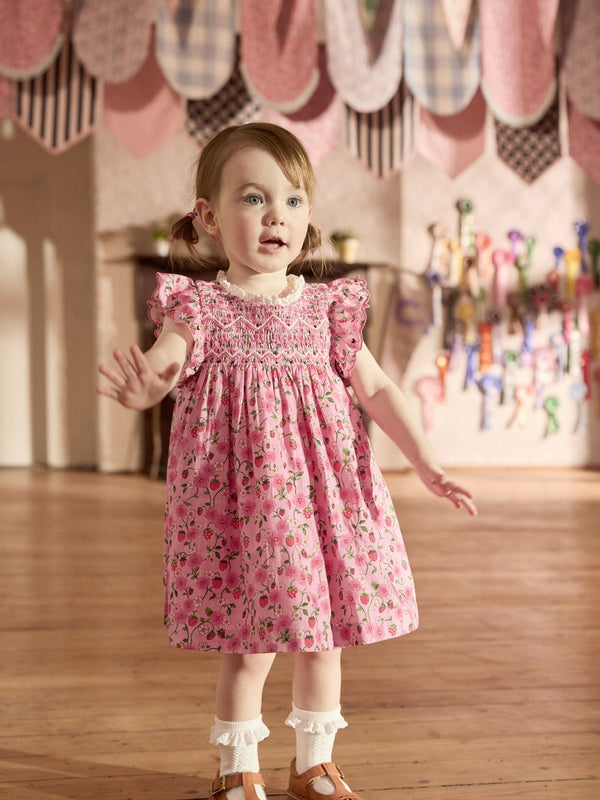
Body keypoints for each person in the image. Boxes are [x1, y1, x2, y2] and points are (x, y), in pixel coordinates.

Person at [97, 123, 477, 800]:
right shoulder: (201, 307)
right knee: (250, 645)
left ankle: (313, 763)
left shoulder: (329, 308)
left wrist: (426, 462)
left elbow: (380, 389)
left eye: (295, 200)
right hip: (243, 510)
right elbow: (167, 361)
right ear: (209, 217)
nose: (278, 215)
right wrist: (150, 384)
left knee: (322, 635)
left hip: (323, 500)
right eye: (253, 197)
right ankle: (236, 770)